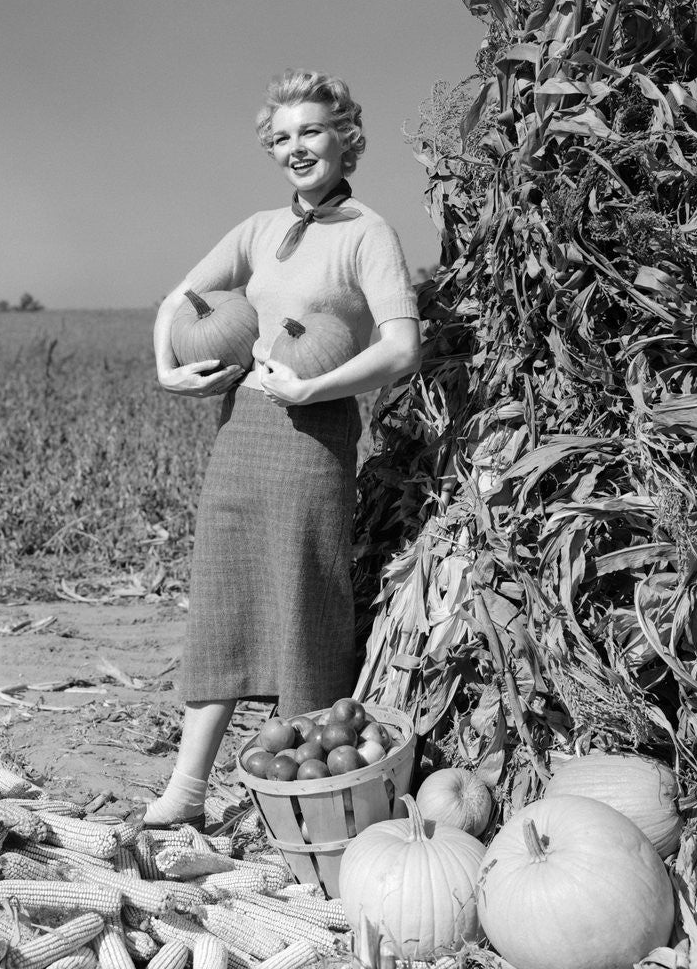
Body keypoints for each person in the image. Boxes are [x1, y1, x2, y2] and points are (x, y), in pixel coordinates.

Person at [148, 68, 420, 827]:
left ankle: (304, 802)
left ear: (346, 136)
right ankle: (189, 790)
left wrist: (314, 390)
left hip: (314, 437)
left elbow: (401, 348)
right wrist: (169, 372)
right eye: (282, 137)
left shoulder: (368, 234)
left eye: (311, 130)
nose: (296, 147)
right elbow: (179, 299)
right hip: (241, 433)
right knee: (222, 600)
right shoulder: (259, 231)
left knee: (305, 601)